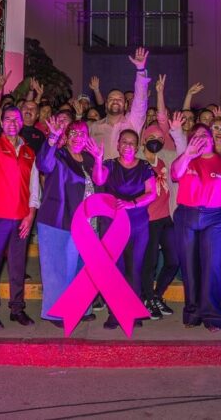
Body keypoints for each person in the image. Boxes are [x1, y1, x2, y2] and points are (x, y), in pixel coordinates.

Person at [0, 77, 42, 331]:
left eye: (17, 119)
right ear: (2, 124)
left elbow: (34, 188)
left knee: (17, 266)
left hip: (21, 219)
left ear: (22, 123)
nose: (13, 123)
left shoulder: (28, 152)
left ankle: (17, 308)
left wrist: (30, 214)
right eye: (8, 119)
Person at [171, 123, 221, 332]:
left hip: (214, 219)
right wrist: (188, 154)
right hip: (186, 216)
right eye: (195, 135)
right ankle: (192, 313)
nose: (200, 137)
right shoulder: (187, 160)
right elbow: (175, 174)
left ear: (212, 139)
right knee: (189, 267)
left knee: (212, 267)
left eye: (204, 134)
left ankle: (212, 316)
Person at [35, 118, 106, 327]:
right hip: (59, 221)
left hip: (87, 224)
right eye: (73, 133)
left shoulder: (89, 158)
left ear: (88, 138)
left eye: (82, 133)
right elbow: (43, 164)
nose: (77, 137)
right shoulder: (59, 155)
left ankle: (80, 308)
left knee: (82, 269)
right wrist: (52, 138)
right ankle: (57, 313)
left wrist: (99, 159)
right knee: (58, 269)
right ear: (65, 137)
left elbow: (100, 181)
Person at [100, 129, 158, 330]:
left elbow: (152, 193)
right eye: (124, 141)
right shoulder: (109, 164)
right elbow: (99, 180)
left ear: (138, 146)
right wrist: (98, 160)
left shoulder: (144, 166)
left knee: (134, 268)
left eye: (132, 142)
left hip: (138, 223)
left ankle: (133, 311)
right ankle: (114, 313)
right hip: (114, 224)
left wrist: (132, 203)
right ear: (118, 144)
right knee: (116, 269)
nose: (127, 146)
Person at [140, 114, 187, 319]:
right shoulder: (138, 161)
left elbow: (184, 153)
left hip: (166, 218)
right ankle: (147, 299)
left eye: (160, 138)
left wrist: (176, 132)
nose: (156, 141)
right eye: (152, 137)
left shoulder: (165, 159)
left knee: (174, 260)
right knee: (149, 263)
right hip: (147, 220)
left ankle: (157, 295)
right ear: (144, 139)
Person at [89, 48, 150, 155]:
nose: (115, 101)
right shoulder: (94, 127)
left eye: (120, 99)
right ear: (106, 104)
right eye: (111, 99)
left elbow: (140, 101)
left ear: (126, 105)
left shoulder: (132, 122)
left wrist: (140, 69)